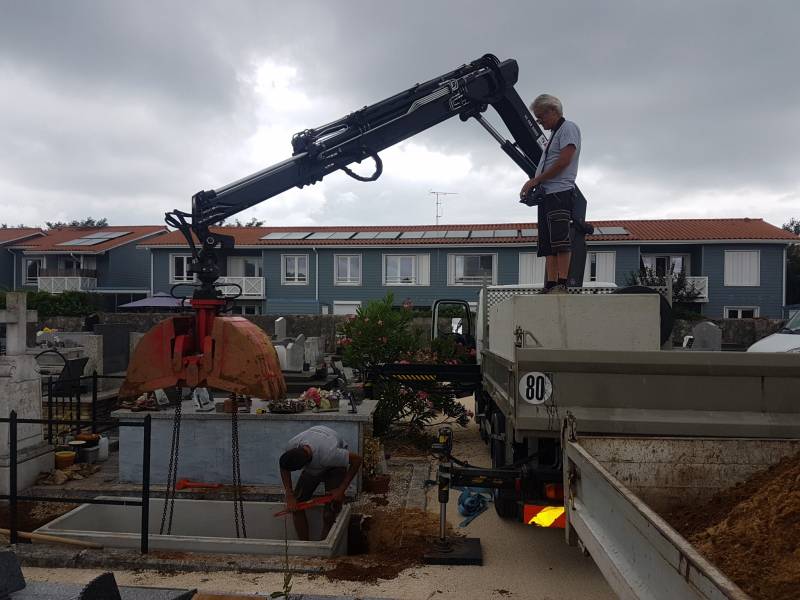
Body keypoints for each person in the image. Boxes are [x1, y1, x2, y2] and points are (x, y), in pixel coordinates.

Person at [520, 94, 582, 294]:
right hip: (548, 194)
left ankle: (562, 282)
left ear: (553, 111)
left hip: (560, 192)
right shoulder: (554, 135)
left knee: (560, 241)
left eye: (540, 117)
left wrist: (536, 180)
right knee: (547, 244)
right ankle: (551, 283)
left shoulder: (568, 128)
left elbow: (564, 160)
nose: (539, 122)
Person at [279, 425, 363, 540]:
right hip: (317, 448)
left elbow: (357, 460)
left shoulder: (330, 454)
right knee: (296, 506)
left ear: (304, 465)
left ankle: (324, 546)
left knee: (331, 510)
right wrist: (288, 493)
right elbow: (284, 467)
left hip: (334, 467)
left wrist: (341, 489)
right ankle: (305, 546)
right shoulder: (292, 446)